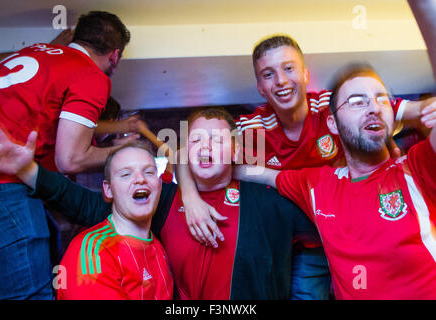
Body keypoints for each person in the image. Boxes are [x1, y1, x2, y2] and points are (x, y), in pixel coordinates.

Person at [177, 33, 436, 299]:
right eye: (268, 74)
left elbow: (418, 109)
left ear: (305, 74)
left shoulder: (336, 106)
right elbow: (190, 152)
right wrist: (190, 196)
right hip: (305, 247)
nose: (280, 81)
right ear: (260, 88)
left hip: (367, 229)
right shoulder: (251, 127)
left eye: (289, 68)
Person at [0, 108, 320, 300]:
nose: (205, 147)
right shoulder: (161, 201)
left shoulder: (272, 203)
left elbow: (333, 229)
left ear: (234, 150)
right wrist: (28, 170)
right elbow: (84, 204)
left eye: (217, 139)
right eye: (196, 139)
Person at [233, 62, 436, 299]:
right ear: (332, 124)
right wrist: (200, 181)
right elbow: (259, 173)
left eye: (382, 99)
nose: (374, 108)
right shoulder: (317, 185)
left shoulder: (417, 167)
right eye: (357, 101)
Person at [0, 11, 131, 299]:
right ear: (115, 56)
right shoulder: (90, 74)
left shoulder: (33, 52)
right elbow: (71, 159)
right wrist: (130, 153)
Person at [58, 141, 173, 300]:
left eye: (149, 172)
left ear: (159, 185)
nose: (140, 179)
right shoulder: (94, 252)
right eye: (126, 174)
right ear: (108, 190)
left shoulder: (158, 247)